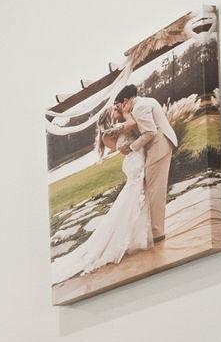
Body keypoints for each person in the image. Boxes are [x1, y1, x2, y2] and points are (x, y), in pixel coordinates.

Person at [51, 107, 153, 284]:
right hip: (134, 163)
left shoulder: (118, 128)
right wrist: (126, 116)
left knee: (133, 200)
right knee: (133, 198)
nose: (118, 109)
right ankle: (129, 239)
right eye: (114, 109)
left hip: (135, 160)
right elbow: (126, 138)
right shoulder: (111, 131)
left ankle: (139, 236)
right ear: (108, 117)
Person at [115, 82, 179, 242]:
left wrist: (130, 148)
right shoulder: (147, 101)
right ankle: (154, 230)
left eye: (119, 105)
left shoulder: (139, 108)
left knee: (155, 190)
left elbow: (150, 132)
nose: (120, 109)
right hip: (161, 145)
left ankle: (157, 233)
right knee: (152, 188)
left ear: (125, 101)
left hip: (159, 147)